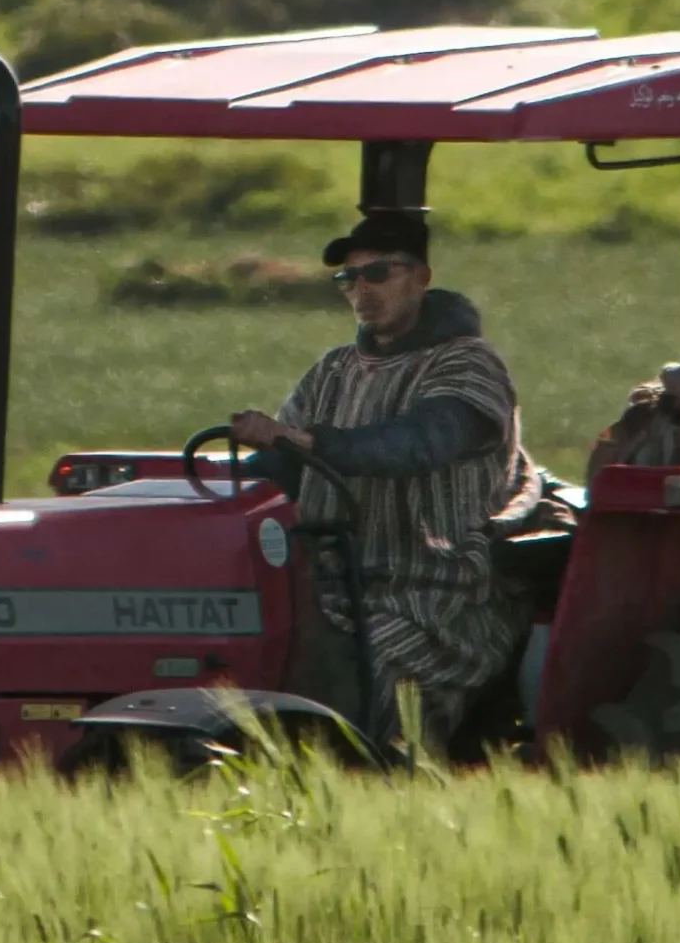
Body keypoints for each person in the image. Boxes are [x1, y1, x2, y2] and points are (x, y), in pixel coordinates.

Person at [229, 211, 544, 743]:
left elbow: (415, 445)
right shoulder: (332, 370)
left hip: (436, 596)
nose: (361, 291)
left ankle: (383, 783)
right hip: (329, 587)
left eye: (379, 275)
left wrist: (301, 441)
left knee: (364, 674)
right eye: (348, 279)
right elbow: (279, 472)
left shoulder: (468, 366)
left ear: (421, 278)